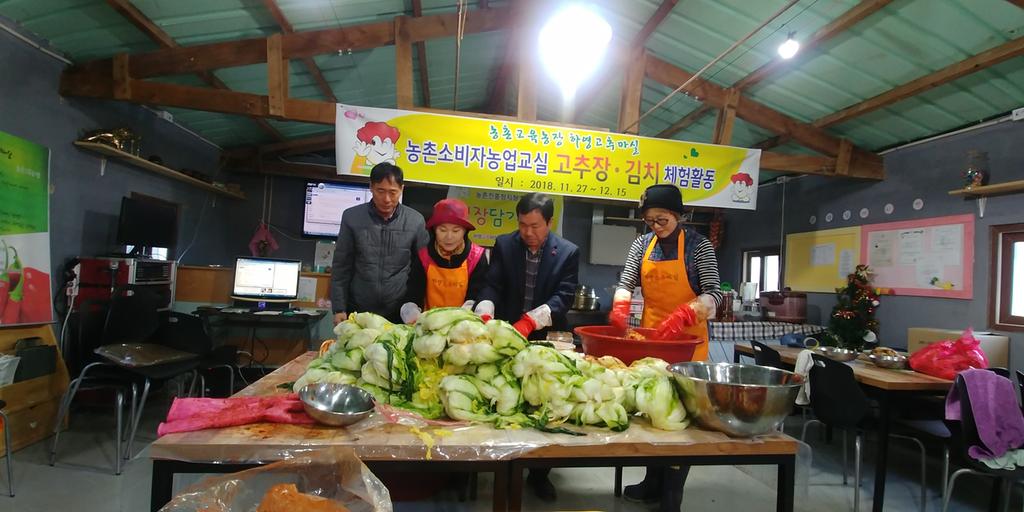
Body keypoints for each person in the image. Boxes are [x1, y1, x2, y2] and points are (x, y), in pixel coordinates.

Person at [609, 183, 723, 510]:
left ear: (677, 215)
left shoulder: (699, 247)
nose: (656, 227)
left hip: (689, 342)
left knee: (681, 417)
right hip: (652, 339)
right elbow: (626, 281)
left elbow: (715, 293)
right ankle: (651, 481)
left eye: (662, 220)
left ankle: (673, 493)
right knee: (653, 410)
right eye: (650, 221)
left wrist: (686, 313)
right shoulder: (641, 245)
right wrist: (620, 305)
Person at [476, 192, 579, 501]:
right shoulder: (506, 244)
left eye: (535, 226)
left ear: (549, 223)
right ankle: (506, 465)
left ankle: (540, 472)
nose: (528, 233)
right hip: (509, 335)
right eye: (522, 225)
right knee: (508, 400)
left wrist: (532, 321)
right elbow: (493, 283)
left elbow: (564, 297)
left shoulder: (568, 252)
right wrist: (485, 306)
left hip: (546, 336)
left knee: (544, 403)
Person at [330, 163, 428, 324]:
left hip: (400, 311)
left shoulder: (415, 221)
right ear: (371, 187)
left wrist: (416, 306)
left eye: (393, 192)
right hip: (359, 308)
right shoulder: (352, 217)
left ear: (402, 189)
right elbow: (342, 265)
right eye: (380, 191)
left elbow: (422, 269)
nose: (387, 199)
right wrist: (339, 308)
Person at [399, 198, 489, 323]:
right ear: (434, 230)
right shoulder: (423, 257)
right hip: (429, 327)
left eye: (456, 230)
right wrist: (413, 313)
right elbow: (414, 294)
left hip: (464, 327)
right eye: (442, 230)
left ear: (465, 231)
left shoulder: (477, 257)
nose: (449, 237)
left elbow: (477, 295)